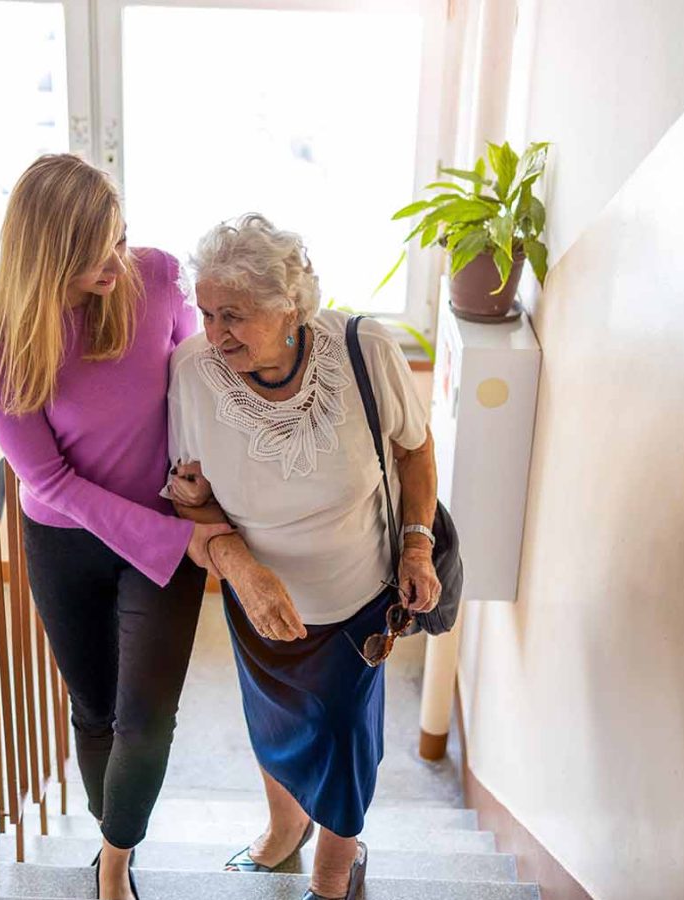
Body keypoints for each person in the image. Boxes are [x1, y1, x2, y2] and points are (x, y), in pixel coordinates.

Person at [0, 154, 230, 900]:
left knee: (146, 719)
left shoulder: (155, 275)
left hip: (164, 529)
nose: (117, 262)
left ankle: (114, 862)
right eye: (96, 254)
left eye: (120, 239)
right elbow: (47, 479)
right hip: (66, 541)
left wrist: (197, 479)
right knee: (95, 711)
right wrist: (176, 540)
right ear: (47, 254)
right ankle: (114, 829)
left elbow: (197, 379)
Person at [163, 214, 441, 900]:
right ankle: (285, 830)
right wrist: (241, 569)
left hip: (359, 597)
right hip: (257, 598)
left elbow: (414, 447)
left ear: (289, 306)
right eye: (205, 312)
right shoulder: (192, 372)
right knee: (276, 721)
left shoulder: (364, 348)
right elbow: (190, 496)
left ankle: (334, 867)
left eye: (234, 314)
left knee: (344, 736)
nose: (215, 331)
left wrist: (416, 542)